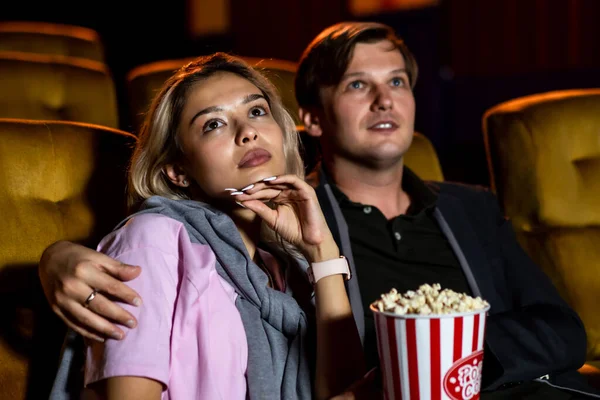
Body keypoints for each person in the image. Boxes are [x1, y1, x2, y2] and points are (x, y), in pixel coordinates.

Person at [40, 22, 600, 399]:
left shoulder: (465, 209)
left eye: (398, 82)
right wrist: (57, 255)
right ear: (309, 118)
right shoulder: (264, 217)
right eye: (359, 84)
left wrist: (449, 367)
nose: (385, 101)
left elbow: (562, 330)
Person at [46, 53, 366, 400]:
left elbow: (342, 390)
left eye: (257, 111)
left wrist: (322, 252)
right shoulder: (150, 241)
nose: (248, 133)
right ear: (178, 171)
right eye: (213, 124)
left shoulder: (282, 266)